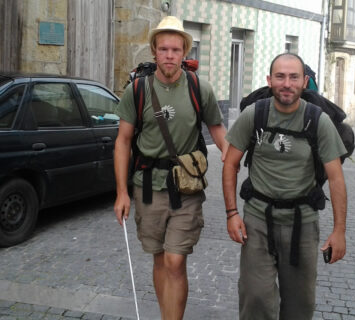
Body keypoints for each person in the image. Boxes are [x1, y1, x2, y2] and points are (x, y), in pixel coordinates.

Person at [112, 16, 228, 320]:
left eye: (175, 50)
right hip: (147, 187)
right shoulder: (137, 90)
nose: (169, 56)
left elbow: (217, 129)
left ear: (184, 52)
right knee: (159, 259)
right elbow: (123, 141)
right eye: (163, 49)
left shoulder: (199, 88)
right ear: (154, 51)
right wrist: (122, 192)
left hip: (186, 187)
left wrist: (233, 158)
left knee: (175, 261)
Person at [222, 53, 348, 320]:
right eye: (280, 77)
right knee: (255, 298)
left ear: (304, 81)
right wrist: (232, 213)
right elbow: (230, 164)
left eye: (293, 77)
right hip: (257, 221)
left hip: (302, 223)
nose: (287, 84)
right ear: (270, 80)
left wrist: (339, 231)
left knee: (299, 306)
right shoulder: (254, 115)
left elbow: (336, 177)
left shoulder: (318, 121)